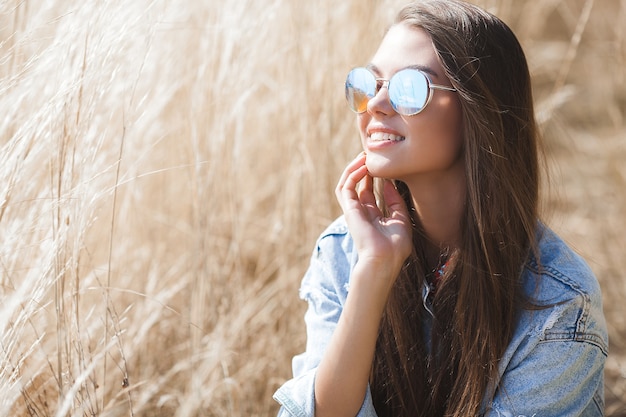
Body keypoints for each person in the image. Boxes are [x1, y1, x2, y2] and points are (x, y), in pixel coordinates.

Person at [273, 0, 608, 416]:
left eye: (410, 88)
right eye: (369, 83)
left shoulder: (556, 305)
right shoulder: (346, 251)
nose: (376, 104)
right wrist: (374, 271)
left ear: (478, 112)